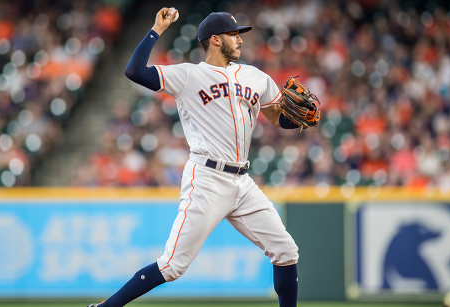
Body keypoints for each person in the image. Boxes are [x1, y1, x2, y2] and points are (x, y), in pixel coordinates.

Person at [88, 6, 317, 307]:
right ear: (215, 40)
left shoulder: (255, 77)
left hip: (243, 183)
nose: (240, 40)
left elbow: (276, 117)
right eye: (233, 34)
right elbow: (134, 71)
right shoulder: (188, 75)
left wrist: (297, 120)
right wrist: (156, 28)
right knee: (172, 266)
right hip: (207, 179)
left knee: (286, 251)